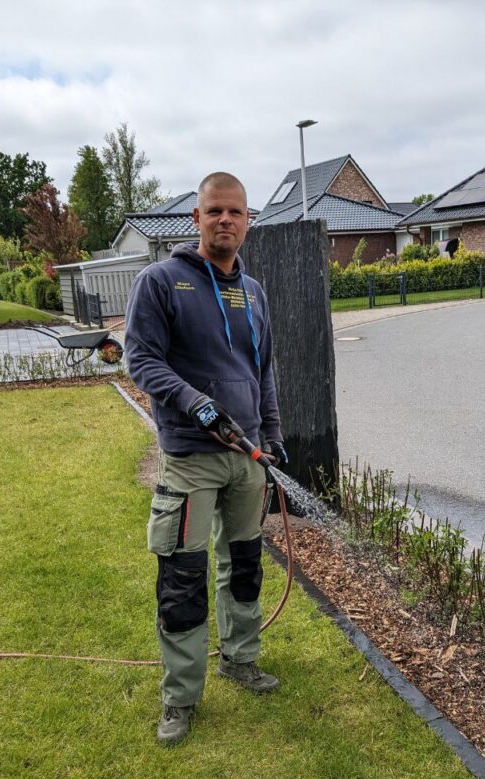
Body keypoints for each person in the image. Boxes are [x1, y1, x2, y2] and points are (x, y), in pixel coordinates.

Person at [125, 172, 287, 745]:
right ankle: (180, 697)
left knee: (244, 563)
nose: (225, 220)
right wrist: (197, 405)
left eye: (235, 212)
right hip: (192, 456)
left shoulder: (255, 292)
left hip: (247, 457)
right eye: (214, 210)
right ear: (196, 218)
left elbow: (262, 368)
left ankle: (240, 659)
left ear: (248, 222)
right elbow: (139, 360)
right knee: (183, 577)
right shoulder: (161, 282)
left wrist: (271, 436)